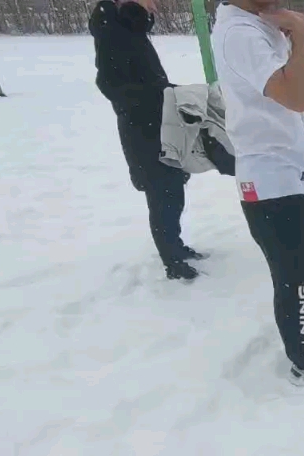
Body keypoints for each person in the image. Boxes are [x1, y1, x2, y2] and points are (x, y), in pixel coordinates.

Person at [211, 0, 304, 385]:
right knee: (297, 275)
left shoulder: (257, 22)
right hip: (272, 181)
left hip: (290, 173)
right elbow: (298, 96)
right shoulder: (240, 33)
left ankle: (303, 325)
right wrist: (302, 38)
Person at [88, 0, 206, 281]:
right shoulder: (112, 30)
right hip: (143, 132)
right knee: (162, 194)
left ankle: (175, 246)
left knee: (173, 190)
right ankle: (172, 261)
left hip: (160, 124)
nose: (155, 5)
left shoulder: (128, 26)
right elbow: (111, 86)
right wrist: (166, 94)